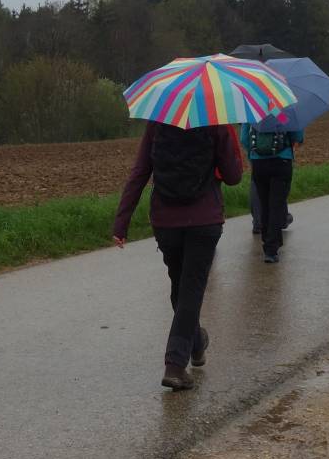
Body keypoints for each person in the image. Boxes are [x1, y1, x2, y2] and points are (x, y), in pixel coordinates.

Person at [112, 120, 245, 391]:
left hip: (166, 223)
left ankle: (196, 343)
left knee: (181, 288)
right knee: (190, 291)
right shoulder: (215, 122)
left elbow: (140, 171)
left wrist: (121, 222)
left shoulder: (158, 123)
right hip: (204, 220)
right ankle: (175, 364)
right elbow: (233, 177)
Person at [240, 109, 302, 263]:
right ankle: (271, 249)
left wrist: (253, 155)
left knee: (265, 204)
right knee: (277, 204)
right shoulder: (283, 112)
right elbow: (297, 136)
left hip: (258, 163)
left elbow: (244, 138)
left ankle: (269, 241)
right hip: (282, 161)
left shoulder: (253, 111)